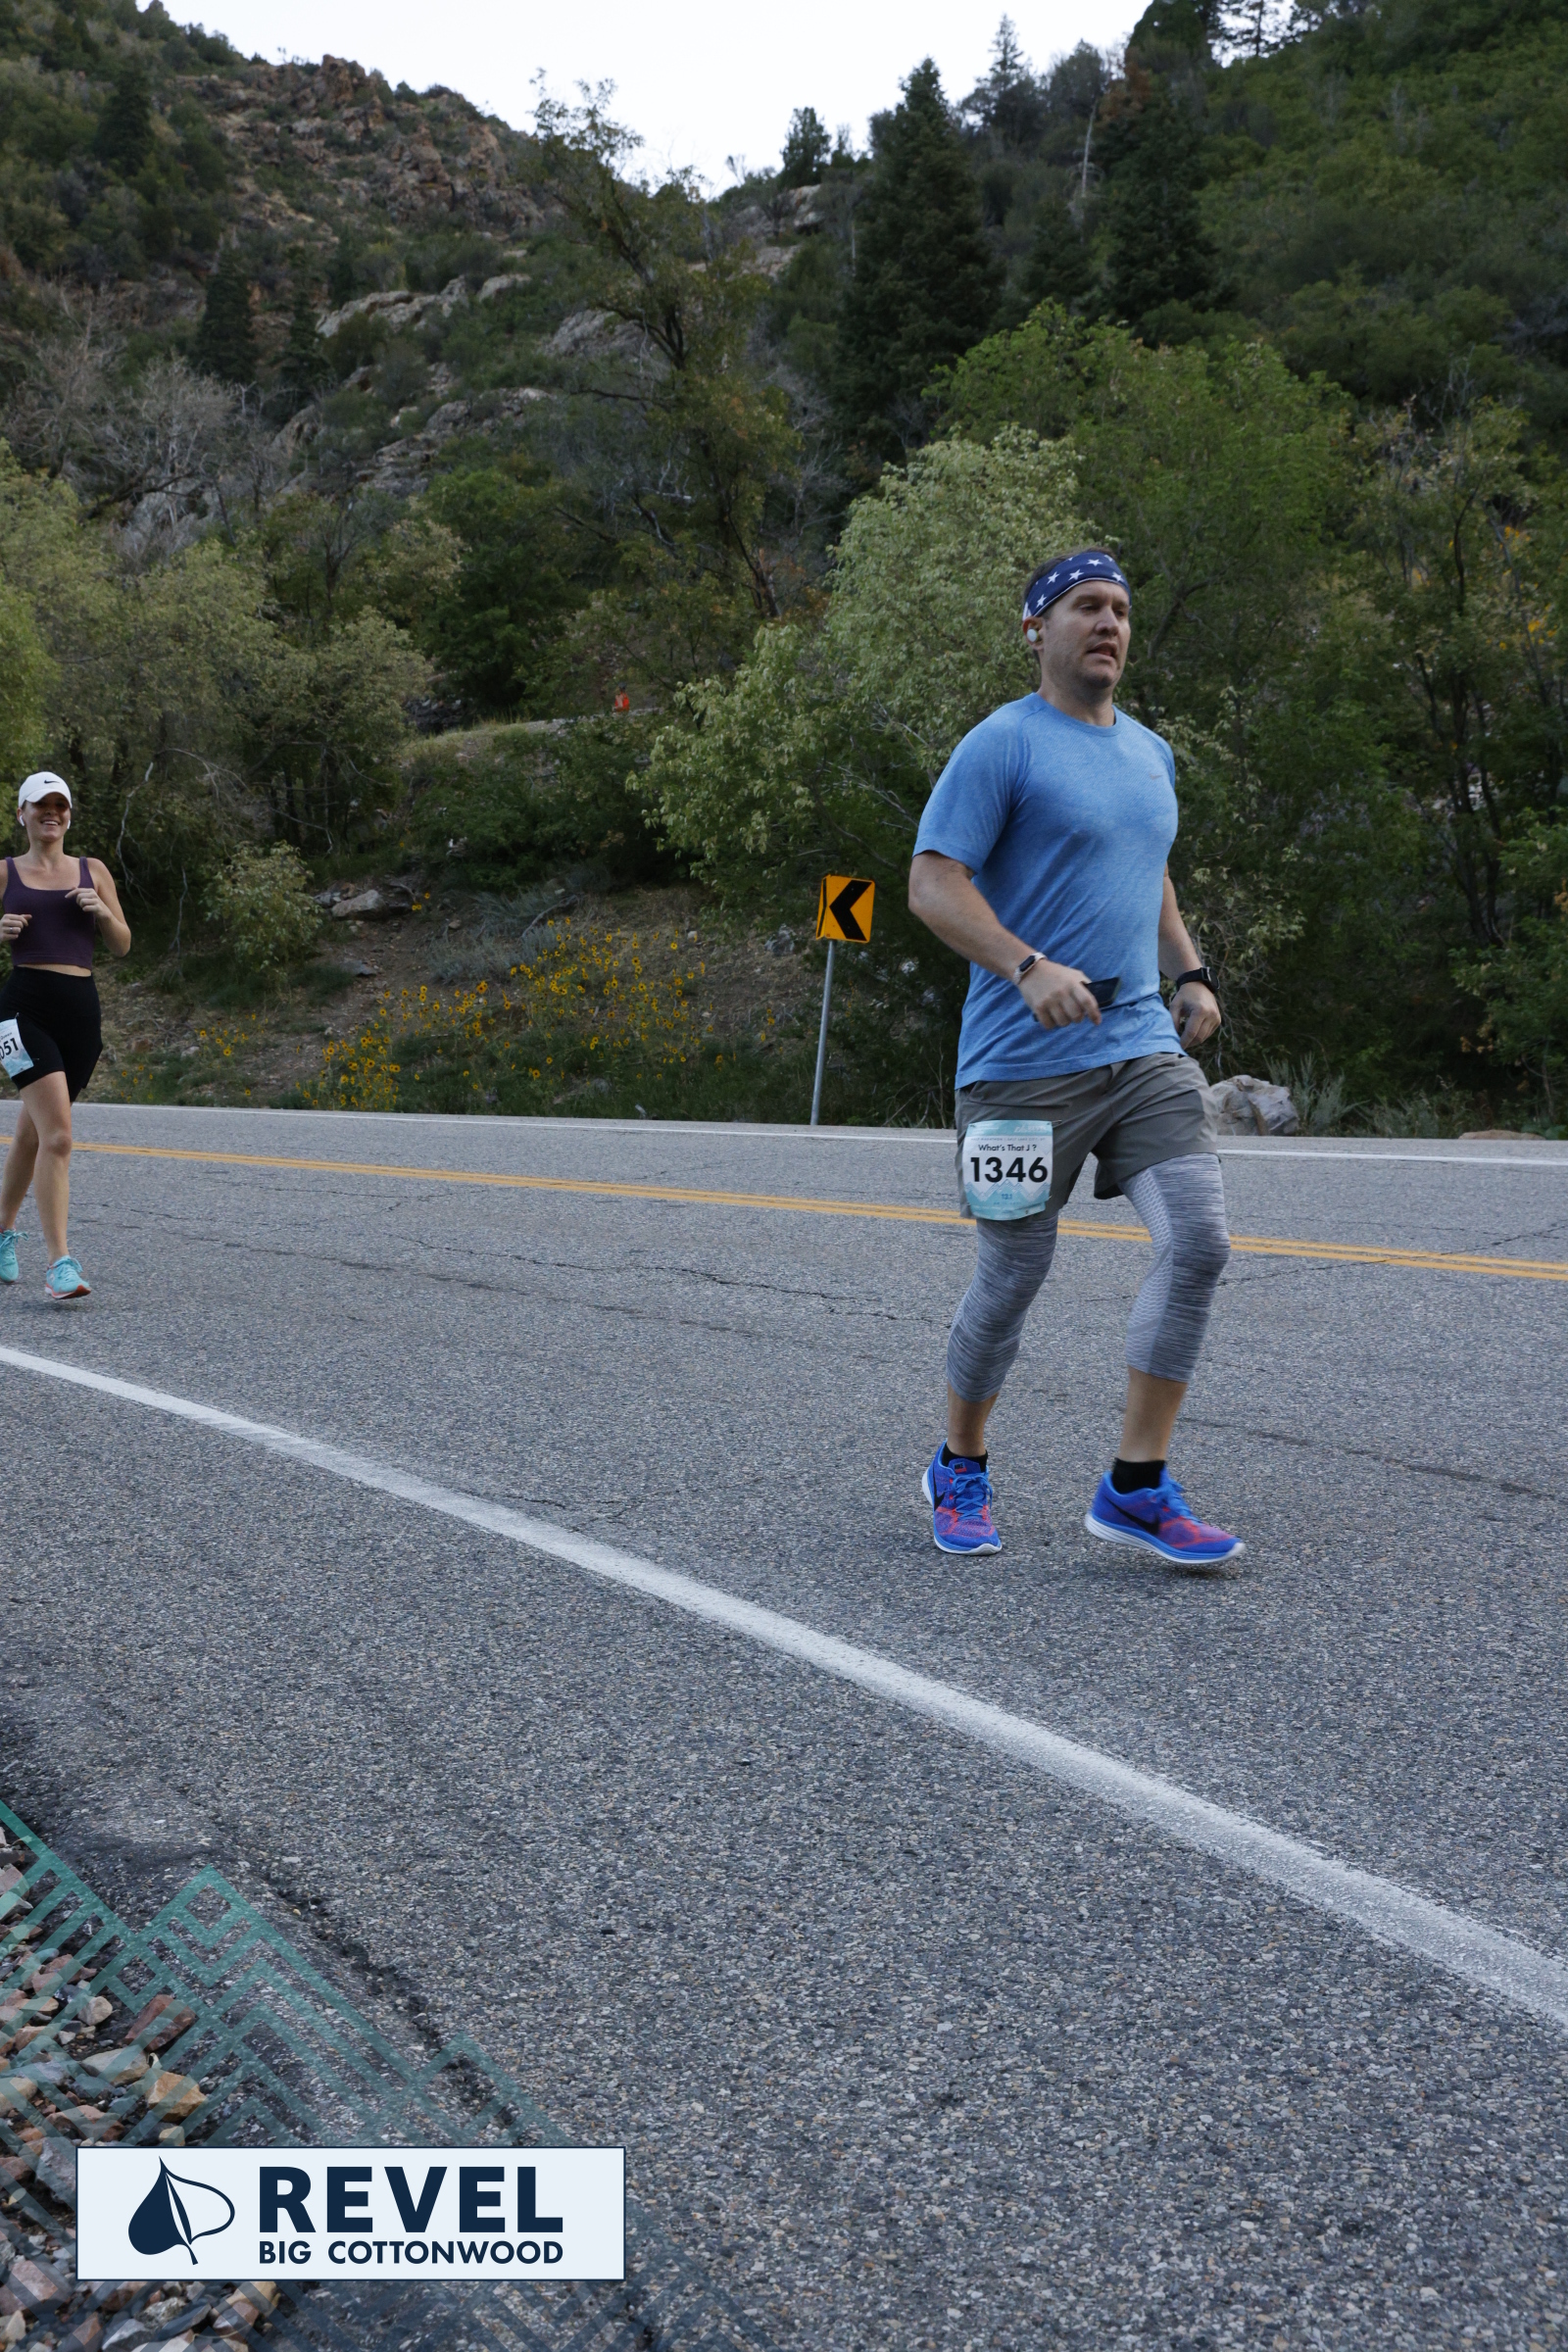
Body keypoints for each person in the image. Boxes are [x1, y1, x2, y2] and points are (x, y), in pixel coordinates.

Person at [907, 551, 1242, 1567]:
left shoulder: (1150, 753)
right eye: (1085, 606)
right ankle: (960, 1461)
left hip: (1138, 1043)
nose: (1108, 624)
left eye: (1121, 611)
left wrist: (1191, 972)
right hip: (1019, 1062)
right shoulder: (1001, 744)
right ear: (1036, 629)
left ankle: (1135, 1486)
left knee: (1199, 1242)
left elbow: (1147, 867)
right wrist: (1025, 965)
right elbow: (932, 883)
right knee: (1014, 1273)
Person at [0, 771, 130, 1301]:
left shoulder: (92, 870)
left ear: (69, 815)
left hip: (80, 1015)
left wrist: (103, 913)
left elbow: (122, 944)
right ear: (22, 814)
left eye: (60, 805)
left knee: (35, 1134)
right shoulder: (5, 873)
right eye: (41, 804)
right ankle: (60, 1264)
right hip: (18, 1013)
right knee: (58, 1137)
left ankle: (2, 1232)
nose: (51, 812)